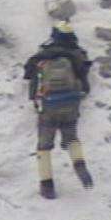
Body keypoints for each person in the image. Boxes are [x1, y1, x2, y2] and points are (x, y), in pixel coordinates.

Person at [23, 22, 94, 199]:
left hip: (48, 106)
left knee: (44, 146)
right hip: (70, 104)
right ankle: (79, 163)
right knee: (71, 136)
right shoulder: (76, 55)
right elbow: (85, 83)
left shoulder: (43, 55)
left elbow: (27, 73)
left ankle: (47, 184)